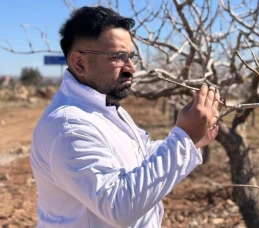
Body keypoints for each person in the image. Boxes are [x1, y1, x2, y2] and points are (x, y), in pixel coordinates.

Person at [30, 6, 220, 228]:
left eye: (131, 56)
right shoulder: (68, 127)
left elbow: (135, 159)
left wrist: (189, 141)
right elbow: (118, 206)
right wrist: (183, 138)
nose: (131, 68)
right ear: (80, 63)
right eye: (119, 57)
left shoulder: (103, 106)